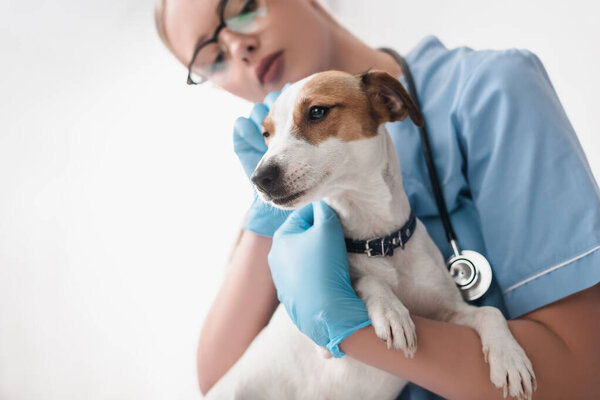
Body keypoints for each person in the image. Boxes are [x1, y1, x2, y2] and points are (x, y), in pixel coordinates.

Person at [154, 0, 600, 398]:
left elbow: (582, 375)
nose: (238, 48)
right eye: (212, 58)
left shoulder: (489, 92)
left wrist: (356, 331)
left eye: (243, 6)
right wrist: (265, 212)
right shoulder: (297, 187)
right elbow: (223, 381)